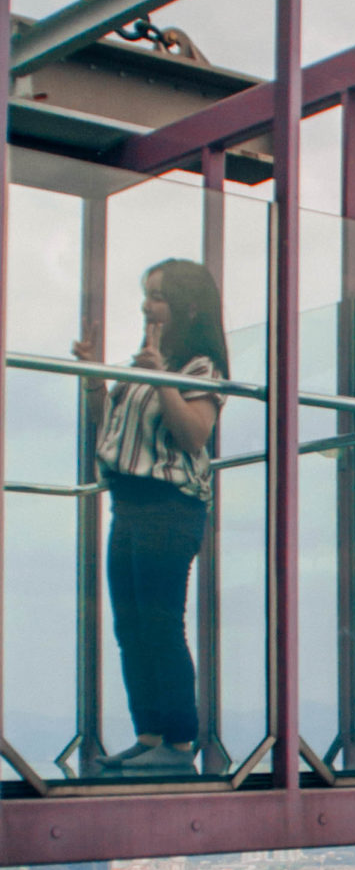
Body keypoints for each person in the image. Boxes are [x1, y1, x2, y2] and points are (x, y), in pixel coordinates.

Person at [75, 258, 227, 776]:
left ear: (186, 306)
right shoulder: (148, 362)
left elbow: (193, 434)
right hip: (129, 503)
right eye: (146, 295)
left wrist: (160, 375)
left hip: (169, 506)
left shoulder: (200, 367)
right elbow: (113, 429)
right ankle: (150, 736)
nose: (147, 305)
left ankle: (180, 742)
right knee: (131, 626)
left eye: (157, 296)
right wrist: (97, 376)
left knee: (161, 624)